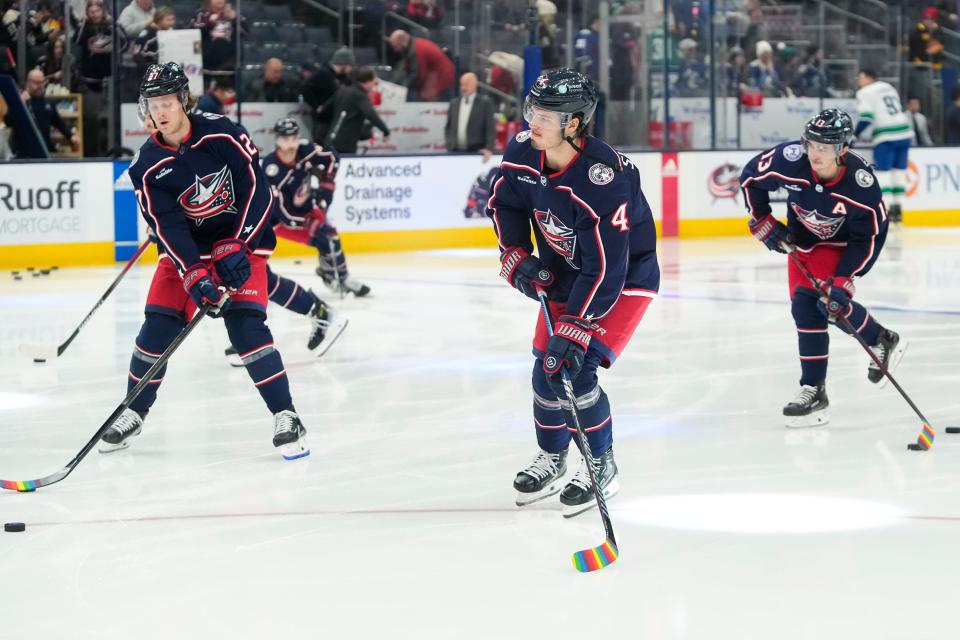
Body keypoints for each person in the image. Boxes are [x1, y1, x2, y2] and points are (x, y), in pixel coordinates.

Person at [102, 62, 310, 460]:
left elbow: (258, 191)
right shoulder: (146, 166)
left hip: (240, 243)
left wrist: (239, 243)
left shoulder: (223, 133)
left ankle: (286, 415)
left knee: (246, 327)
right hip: (190, 254)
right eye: (152, 104)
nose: (160, 111)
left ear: (183, 100)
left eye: (166, 101)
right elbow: (167, 227)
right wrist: (194, 273)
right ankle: (134, 410)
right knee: (156, 329)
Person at [486, 68, 660, 517]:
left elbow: (607, 267)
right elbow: (504, 202)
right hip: (568, 274)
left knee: (577, 370)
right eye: (532, 110)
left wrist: (577, 324)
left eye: (546, 115)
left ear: (575, 123)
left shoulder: (604, 180)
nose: (533, 122)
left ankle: (601, 463)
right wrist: (516, 254)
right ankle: (553, 457)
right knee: (546, 370)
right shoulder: (525, 152)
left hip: (623, 282)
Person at [739, 108, 907, 428]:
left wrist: (846, 278)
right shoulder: (790, 159)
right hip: (803, 242)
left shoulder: (862, 185)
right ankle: (816, 387)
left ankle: (877, 339)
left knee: (830, 302)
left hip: (845, 246)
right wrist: (761, 218)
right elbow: (749, 178)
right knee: (805, 308)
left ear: (842, 149)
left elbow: (870, 235)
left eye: (824, 148)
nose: (814, 154)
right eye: (811, 144)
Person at [263, 117, 370, 296]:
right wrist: (308, 223)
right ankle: (333, 277)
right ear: (277, 140)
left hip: (307, 209)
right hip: (279, 222)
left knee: (330, 235)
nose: (290, 144)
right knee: (323, 235)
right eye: (285, 139)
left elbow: (332, 157)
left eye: (293, 138)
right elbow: (281, 212)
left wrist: (326, 184)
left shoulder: (306, 150)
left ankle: (338, 277)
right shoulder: (271, 169)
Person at [855, 68, 912, 223]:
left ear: (868, 77)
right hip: (905, 132)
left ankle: (885, 211)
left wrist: (854, 134)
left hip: (885, 135)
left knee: (883, 173)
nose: (859, 81)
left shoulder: (865, 92)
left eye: (861, 77)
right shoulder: (889, 86)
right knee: (899, 171)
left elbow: (866, 118)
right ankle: (898, 209)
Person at [320, 65, 390, 154]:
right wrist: (385, 131)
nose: (373, 86)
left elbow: (324, 110)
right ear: (368, 81)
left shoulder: (343, 91)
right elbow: (370, 114)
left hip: (330, 141)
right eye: (374, 83)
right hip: (345, 145)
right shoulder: (359, 95)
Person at [302, 47, 354, 144]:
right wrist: (317, 106)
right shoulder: (323, 74)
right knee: (321, 145)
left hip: (337, 119)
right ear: (343, 64)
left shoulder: (345, 78)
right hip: (323, 120)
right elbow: (305, 88)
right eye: (349, 65)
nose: (351, 69)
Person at [19, 68, 78, 154]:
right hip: (23, 152)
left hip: (43, 150)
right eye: (36, 83)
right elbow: (8, 120)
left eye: (42, 82)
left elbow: (59, 122)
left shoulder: (48, 103)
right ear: (28, 83)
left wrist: (71, 135)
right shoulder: (20, 100)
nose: (40, 86)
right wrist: (20, 103)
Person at [388, 29, 454, 101]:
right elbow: (404, 69)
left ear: (402, 42)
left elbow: (417, 76)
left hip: (442, 79)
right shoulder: (414, 46)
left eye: (395, 46)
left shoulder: (417, 50)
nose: (395, 50)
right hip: (437, 78)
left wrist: (400, 89)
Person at [444, 72, 495, 162]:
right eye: (462, 84)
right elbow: (448, 127)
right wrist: (449, 144)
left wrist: (489, 148)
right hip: (455, 151)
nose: (463, 87)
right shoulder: (454, 103)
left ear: (475, 85)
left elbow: (490, 128)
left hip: (476, 153)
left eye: (466, 84)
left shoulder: (485, 103)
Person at [131, 7, 175, 78]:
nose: (172, 23)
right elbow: (137, 55)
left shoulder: (170, 33)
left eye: (173, 19)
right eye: (168, 20)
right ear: (159, 20)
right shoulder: (148, 35)